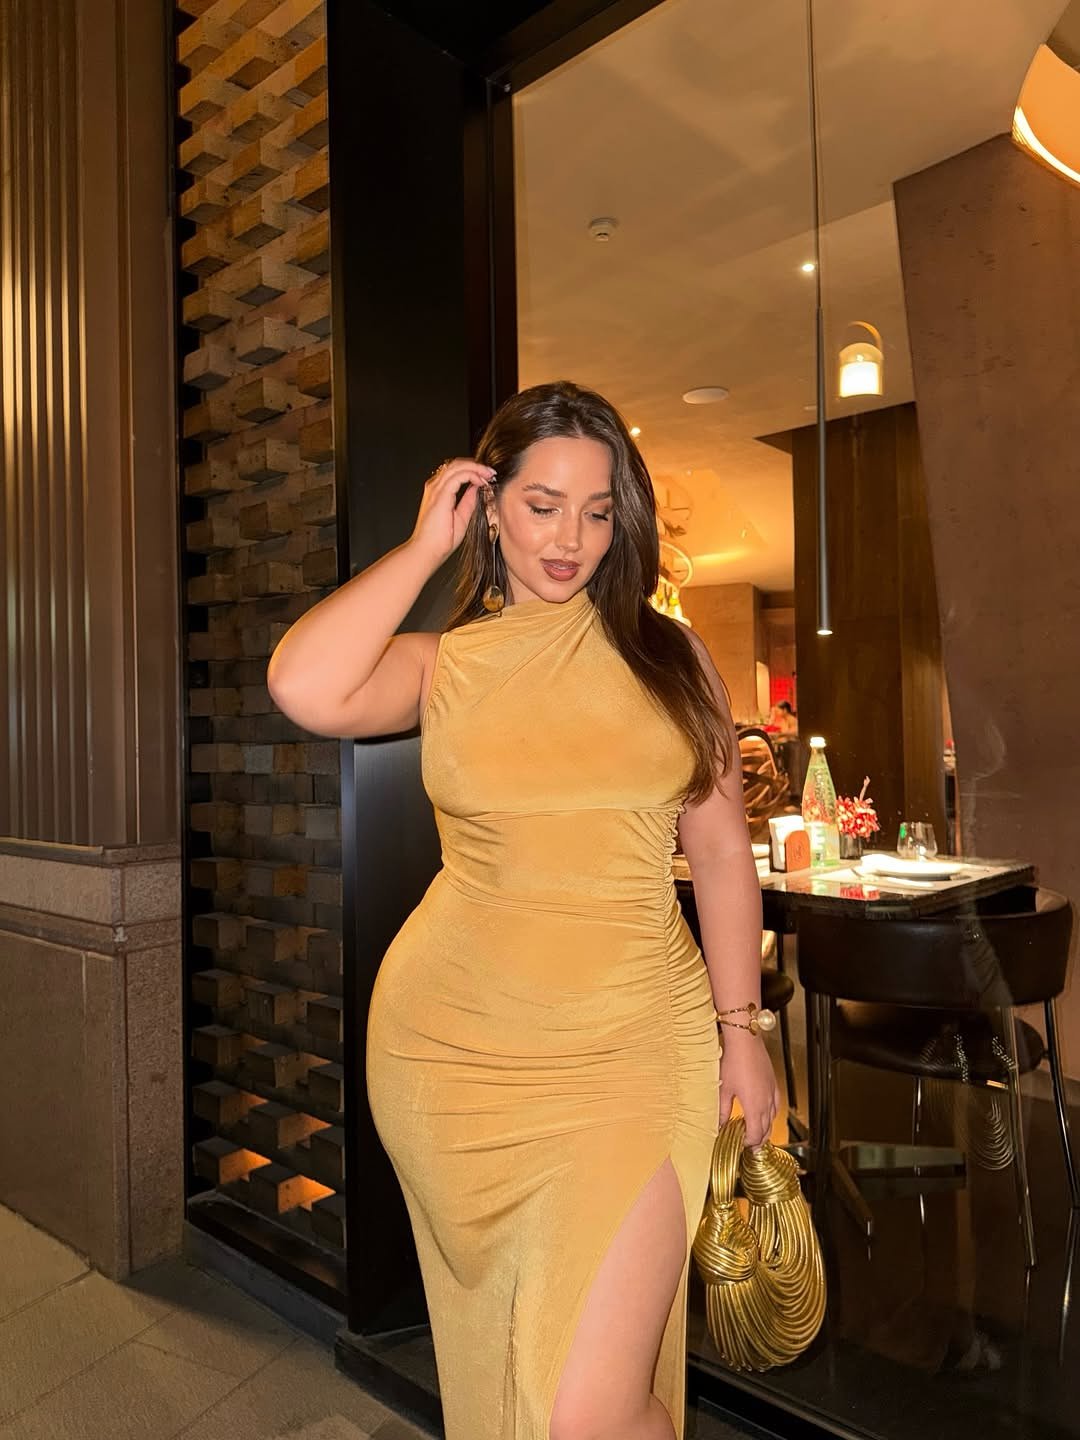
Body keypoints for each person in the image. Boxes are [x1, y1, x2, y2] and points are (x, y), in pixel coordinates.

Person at [267, 381, 776, 1440]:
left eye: (597, 511)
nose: (570, 539)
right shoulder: (446, 665)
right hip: (455, 1058)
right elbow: (303, 685)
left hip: (634, 1053)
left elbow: (723, 854)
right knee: (522, 1381)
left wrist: (744, 1031)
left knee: (583, 1412)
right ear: (488, 505)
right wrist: (423, 549)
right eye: (542, 506)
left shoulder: (671, 658)